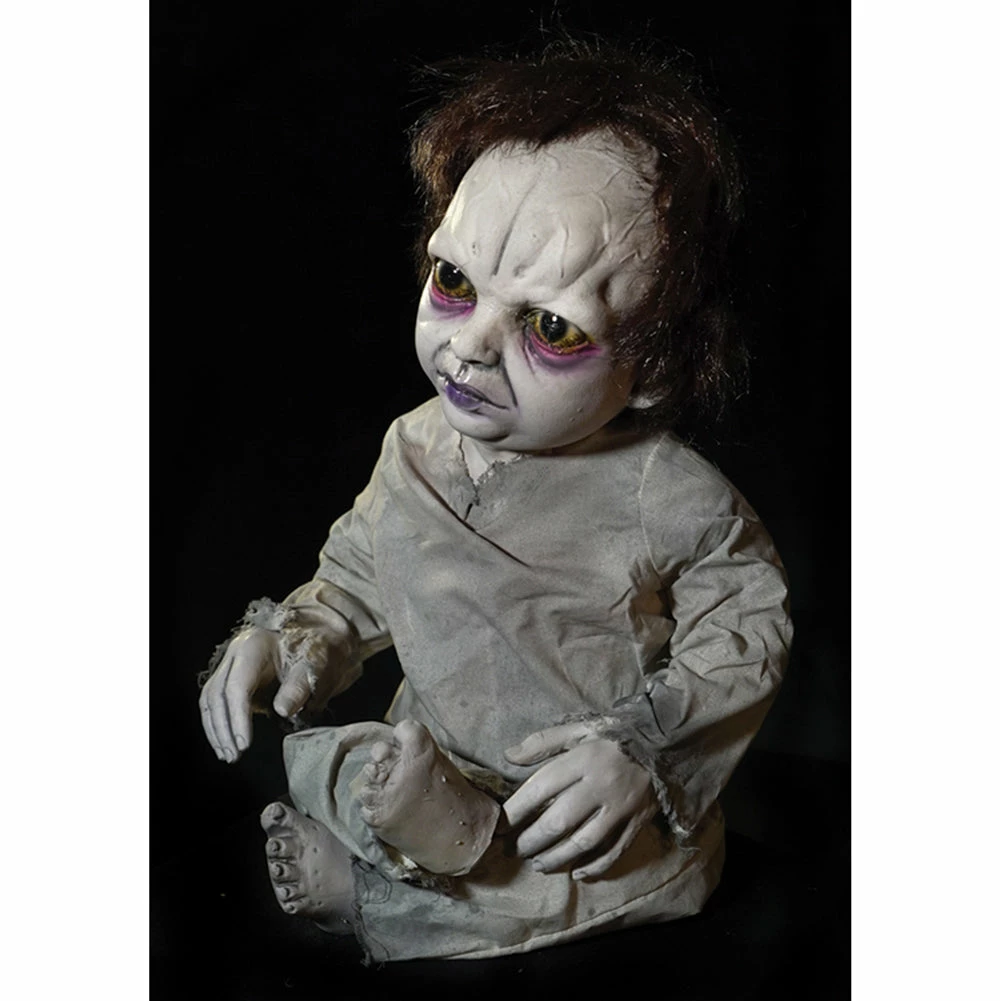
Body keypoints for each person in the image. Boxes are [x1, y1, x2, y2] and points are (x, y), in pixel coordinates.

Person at [198, 42, 792, 962]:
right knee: (359, 763)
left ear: (656, 365)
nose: (471, 346)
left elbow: (744, 624)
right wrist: (292, 639)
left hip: (567, 790)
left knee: (562, 873)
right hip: (438, 752)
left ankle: (385, 888)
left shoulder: (664, 492)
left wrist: (646, 749)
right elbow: (358, 574)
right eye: (455, 282)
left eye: (551, 327)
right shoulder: (415, 445)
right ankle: (416, 829)